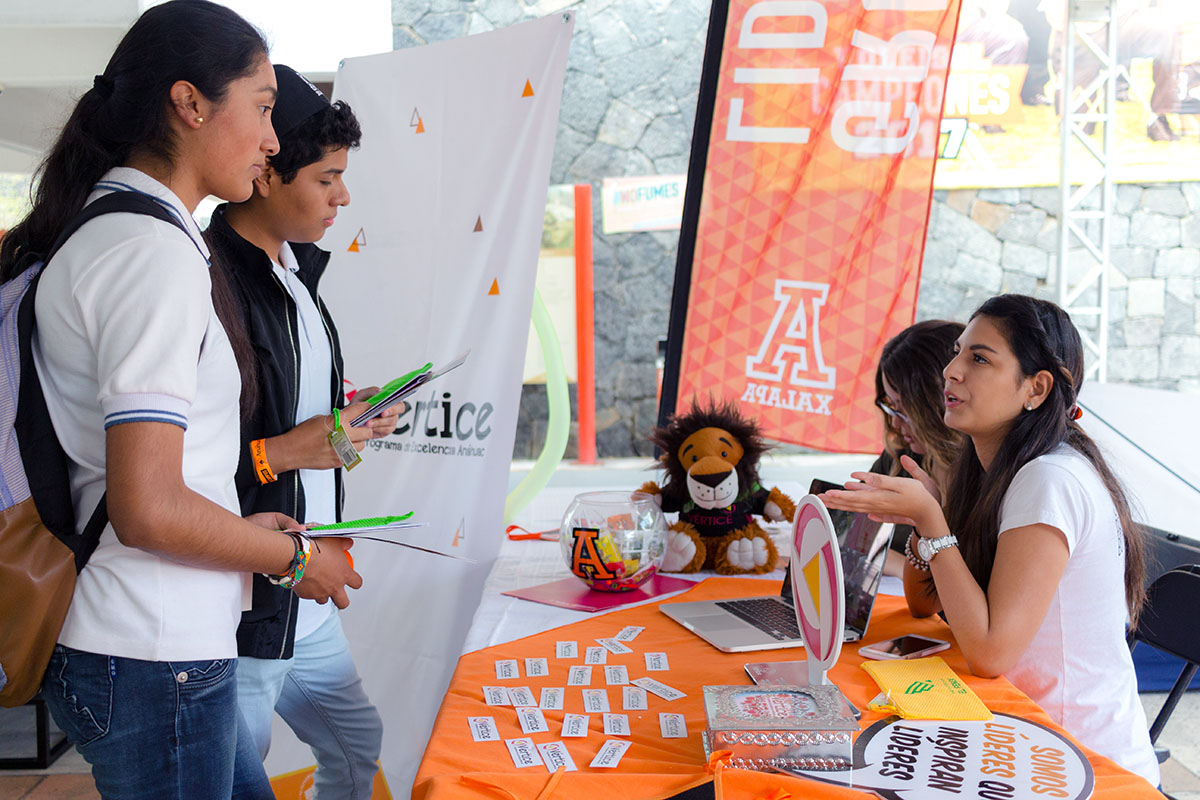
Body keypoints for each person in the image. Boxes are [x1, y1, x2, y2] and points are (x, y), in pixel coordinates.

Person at [0, 2, 360, 797]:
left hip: (150, 643)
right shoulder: (151, 254)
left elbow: (144, 479)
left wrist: (238, 526)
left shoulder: (124, 231)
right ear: (190, 103)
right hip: (151, 652)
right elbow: (149, 508)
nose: (273, 139)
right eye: (263, 108)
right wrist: (295, 557)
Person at [823, 294, 1159, 786]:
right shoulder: (998, 470)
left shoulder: (1050, 479)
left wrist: (932, 521)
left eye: (979, 358)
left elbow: (989, 652)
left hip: (1077, 763)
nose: (951, 372)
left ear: (1036, 388)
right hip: (1018, 740)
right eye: (957, 353)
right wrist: (928, 520)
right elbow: (923, 605)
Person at [204, 65, 393, 800]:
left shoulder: (297, 279)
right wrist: (287, 450)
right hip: (245, 597)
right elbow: (174, 467)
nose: (343, 196)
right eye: (326, 179)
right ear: (267, 174)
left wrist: (349, 423)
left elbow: (301, 433)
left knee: (357, 746)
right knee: (234, 781)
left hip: (304, 589)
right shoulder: (207, 278)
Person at [870, 320, 965, 576]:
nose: (893, 422)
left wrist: (908, 567)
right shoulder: (902, 456)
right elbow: (855, 541)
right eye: (889, 406)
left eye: (903, 409)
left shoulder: (991, 477)